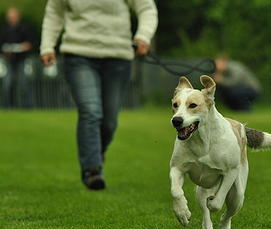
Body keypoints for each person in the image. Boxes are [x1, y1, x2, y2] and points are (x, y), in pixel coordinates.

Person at [40, 0, 158, 190]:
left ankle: (96, 151)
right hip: (78, 55)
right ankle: (92, 170)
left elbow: (146, 8)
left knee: (109, 121)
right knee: (90, 110)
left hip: (118, 57)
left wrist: (143, 36)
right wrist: (47, 46)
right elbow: (54, 13)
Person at [0, 7, 34, 109]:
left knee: (24, 83)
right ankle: (8, 107)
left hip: (21, 59)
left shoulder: (24, 28)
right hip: (9, 60)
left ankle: (28, 106)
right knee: (7, 83)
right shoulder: (5, 29)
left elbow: (29, 44)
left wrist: (21, 47)